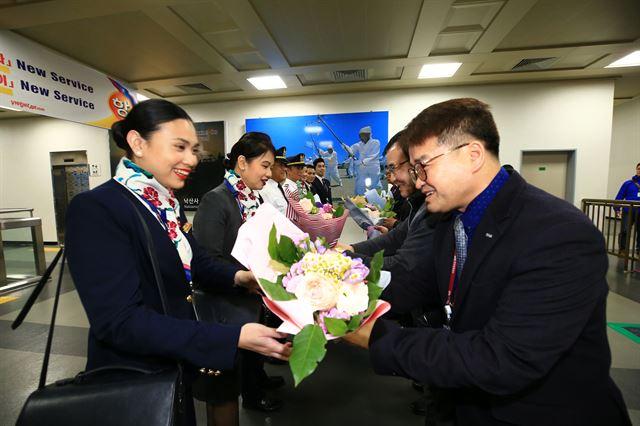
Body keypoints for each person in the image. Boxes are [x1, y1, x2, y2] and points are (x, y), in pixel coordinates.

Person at [345, 98, 631, 426]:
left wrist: (378, 338)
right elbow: (414, 283)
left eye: (424, 166)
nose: (418, 180)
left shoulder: (559, 234)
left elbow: (502, 359)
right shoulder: (451, 220)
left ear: (473, 155)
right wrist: (339, 289)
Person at [65, 99, 291, 426]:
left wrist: (243, 277)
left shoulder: (162, 203)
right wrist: (231, 337)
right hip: (134, 378)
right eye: (180, 147)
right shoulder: (98, 209)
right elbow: (120, 321)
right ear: (138, 143)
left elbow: (196, 259)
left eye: (194, 149)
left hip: (173, 366)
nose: (192, 159)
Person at [192, 132, 286, 421]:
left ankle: (255, 386)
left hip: (247, 298)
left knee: (250, 356)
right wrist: (242, 276)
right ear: (242, 163)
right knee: (225, 384)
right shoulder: (216, 201)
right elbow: (206, 262)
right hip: (224, 304)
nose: (270, 174)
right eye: (265, 166)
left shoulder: (251, 200)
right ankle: (252, 395)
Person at [346, 126, 381, 194]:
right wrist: (347, 148)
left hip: (373, 168)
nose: (360, 138)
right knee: (360, 185)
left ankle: (375, 200)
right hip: (362, 169)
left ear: (367, 135)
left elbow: (373, 156)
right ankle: (360, 199)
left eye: (361, 136)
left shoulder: (375, 142)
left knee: (374, 185)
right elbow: (351, 150)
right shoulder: (359, 144)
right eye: (359, 136)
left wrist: (361, 162)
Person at [614, 162, 640, 253]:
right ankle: (622, 249)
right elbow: (619, 196)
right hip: (628, 211)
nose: (639, 170)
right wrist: (617, 209)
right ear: (636, 170)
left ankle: (638, 250)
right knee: (625, 230)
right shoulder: (628, 183)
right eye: (638, 168)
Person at [259, 147, 289, 216]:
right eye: (281, 165)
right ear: (271, 166)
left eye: (285, 166)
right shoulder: (265, 189)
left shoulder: (278, 186)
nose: (285, 169)